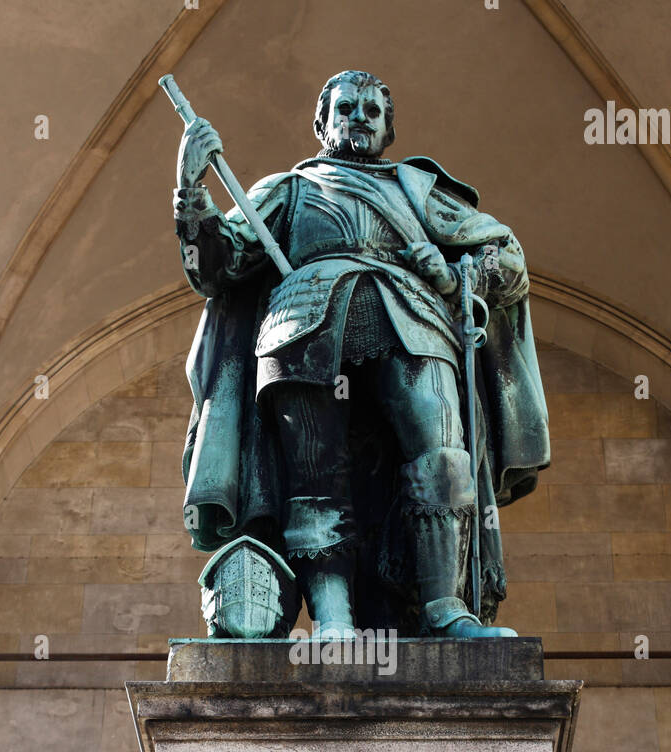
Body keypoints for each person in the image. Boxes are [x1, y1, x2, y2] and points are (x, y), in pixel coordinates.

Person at [173, 70, 549, 638]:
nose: (359, 118)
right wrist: (189, 190)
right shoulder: (288, 189)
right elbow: (220, 262)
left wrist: (453, 275)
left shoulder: (417, 189)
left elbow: (509, 255)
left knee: (442, 455)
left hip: (413, 318)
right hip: (304, 320)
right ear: (321, 122)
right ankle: (332, 619)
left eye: (372, 112)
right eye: (345, 108)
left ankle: (446, 609)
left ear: (388, 130)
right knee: (315, 475)